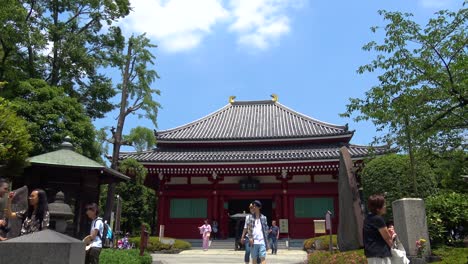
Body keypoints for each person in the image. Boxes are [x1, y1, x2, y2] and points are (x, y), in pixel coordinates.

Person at [363, 194, 393, 264]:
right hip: (380, 254)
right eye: (384, 205)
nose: (385, 207)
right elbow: (387, 238)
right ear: (378, 208)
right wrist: (395, 249)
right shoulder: (378, 219)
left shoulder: (368, 218)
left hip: (372, 254)